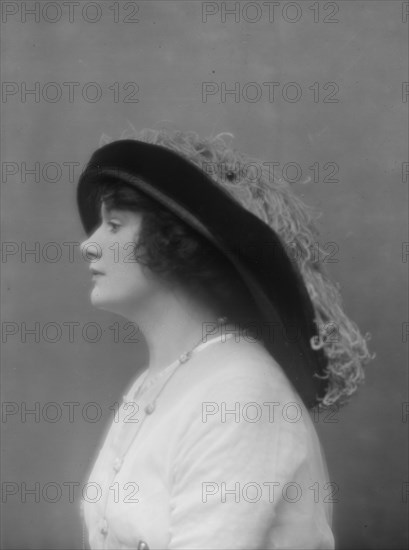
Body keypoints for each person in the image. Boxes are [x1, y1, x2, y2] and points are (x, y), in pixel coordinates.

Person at [76, 127, 373, 550]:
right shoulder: (153, 385)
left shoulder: (240, 394)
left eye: (115, 224)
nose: (89, 245)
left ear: (172, 241)